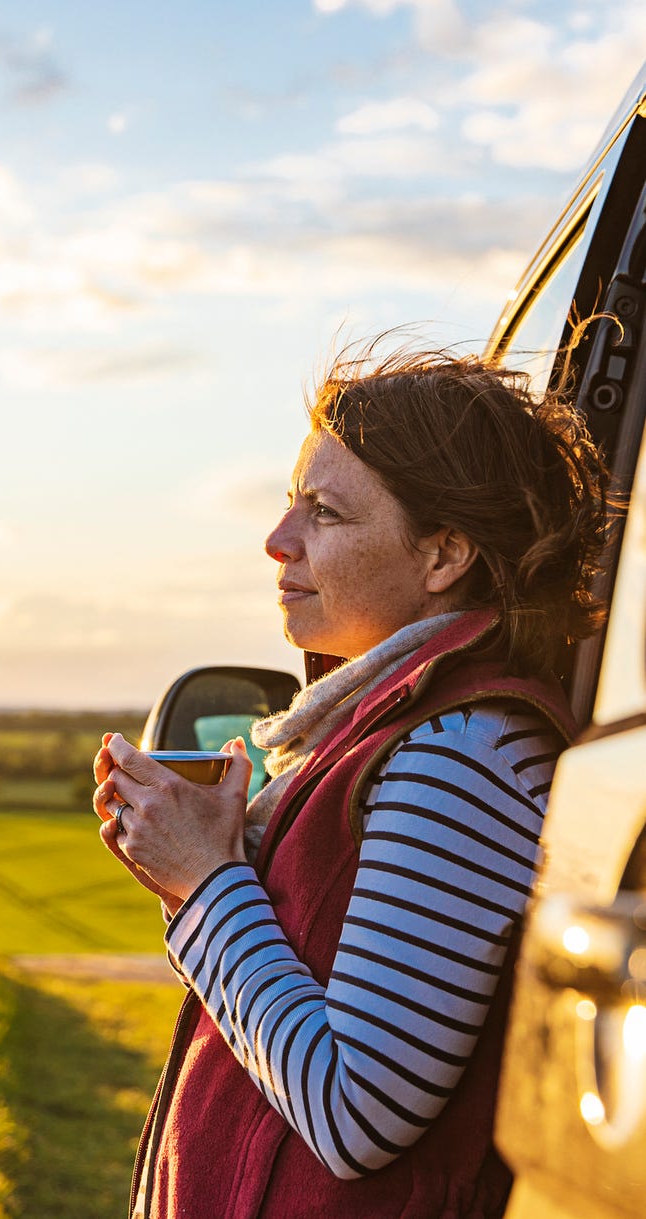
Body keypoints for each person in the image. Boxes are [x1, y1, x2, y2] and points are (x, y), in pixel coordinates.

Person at [92, 344, 611, 1219]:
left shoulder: (460, 751)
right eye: (290, 501)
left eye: (325, 512)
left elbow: (358, 1109)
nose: (277, 539)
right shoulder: (401, 729)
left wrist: (205, 881)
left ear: (444, 553)